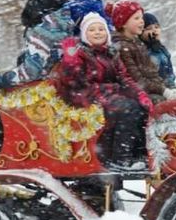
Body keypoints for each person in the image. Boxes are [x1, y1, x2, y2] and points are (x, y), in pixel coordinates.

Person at [0, 0, 75, 160]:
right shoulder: (67, 21)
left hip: (46, 87)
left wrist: (1, 80)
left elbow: (31, 72)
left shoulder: (43, 29)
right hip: (62, 83)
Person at [53, 12, 152, 172]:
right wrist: (70, 60)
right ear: (85, 34)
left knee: (140, 108)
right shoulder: (81, 54)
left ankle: (138, 153)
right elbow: (75, 81)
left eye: (101, 29)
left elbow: (124, 78)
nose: (97, 33)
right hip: (86, 96)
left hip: (108, 94)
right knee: (127, 109)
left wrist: (140, 94)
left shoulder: (111, 53)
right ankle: (120, 158)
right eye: (92, 30)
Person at [110, 0, 166, 103]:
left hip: (149, 90)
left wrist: (162, 86)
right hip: (133, 95)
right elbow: (136, 79)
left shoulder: (138, 44)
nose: (142, 21)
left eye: (141, 18)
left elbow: (152, 72)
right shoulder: (121, 47)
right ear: (123, 24)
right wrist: (162, 90)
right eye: (136, 18)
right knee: (162, 102)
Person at [141, 12, 176, 90]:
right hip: (154, 89)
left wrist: (172, 85)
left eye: (157, 27)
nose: (154, 31)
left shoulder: (162, 49)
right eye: (149, 28)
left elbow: (169, 72)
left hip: (168, 87)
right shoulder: (142, 50)